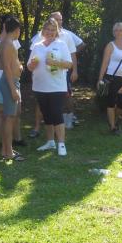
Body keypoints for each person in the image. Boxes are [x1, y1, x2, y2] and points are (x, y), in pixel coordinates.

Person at [29, 17, 73, 155]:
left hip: (57, 87)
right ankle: (50, 142)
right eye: (48, 29)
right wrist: (32, 64)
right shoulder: (37, 46)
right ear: (43, 31)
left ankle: (61, 144)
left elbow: (69, 64)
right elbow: (29, 66)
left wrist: (55, 63)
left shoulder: (61, 45)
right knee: (46, 114)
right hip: (40, 86)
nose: (50, 32)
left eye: (53, 30)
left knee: (56, 114)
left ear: (57, 31)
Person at [0, 14, 25, 147]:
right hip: (2, 79)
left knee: (15, 112)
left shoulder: (13, 41)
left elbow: (15, 60)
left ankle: (16, 139)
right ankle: (4, 143)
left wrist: (20, 66)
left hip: (13, 80)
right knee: (3, 113)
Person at [0, 16, 23, 161]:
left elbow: (6, 64)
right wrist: (13, 89)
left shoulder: (7, 43)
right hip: (9, 82)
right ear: (17, 29)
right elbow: (5, 67)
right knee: (9, 117)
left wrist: (18, 66)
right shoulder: (7, 44)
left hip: (11, 81)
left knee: (10, 116)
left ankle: (6, 150)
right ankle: (8, 152)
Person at [97, 22, 122, 134]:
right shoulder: (110, 46)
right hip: (111, 78)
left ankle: (114, 121)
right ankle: (112, 126)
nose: (118, 32)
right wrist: (100, 79)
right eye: (116, 30)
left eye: (121, 30)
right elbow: (105, 63)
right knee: (111, 102)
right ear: (113, 32)